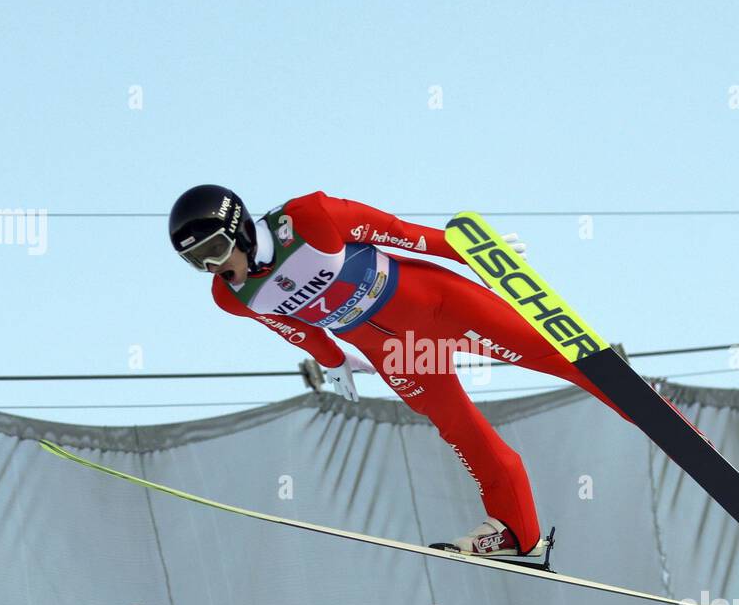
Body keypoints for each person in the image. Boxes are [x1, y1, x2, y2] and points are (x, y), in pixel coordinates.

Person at [168, 184, 638, 558]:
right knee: (461, 431)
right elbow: (294, 329)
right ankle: (517, 531)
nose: (211, 266)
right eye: (195, 261)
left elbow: (399, 232)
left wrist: (470, 252)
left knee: (557, 354)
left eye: (213, 249)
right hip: (397, 352)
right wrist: (334, 361)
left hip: (436, 304)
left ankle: (664, 423)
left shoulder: (309, 217)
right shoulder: (231, 297)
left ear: (241, 229)